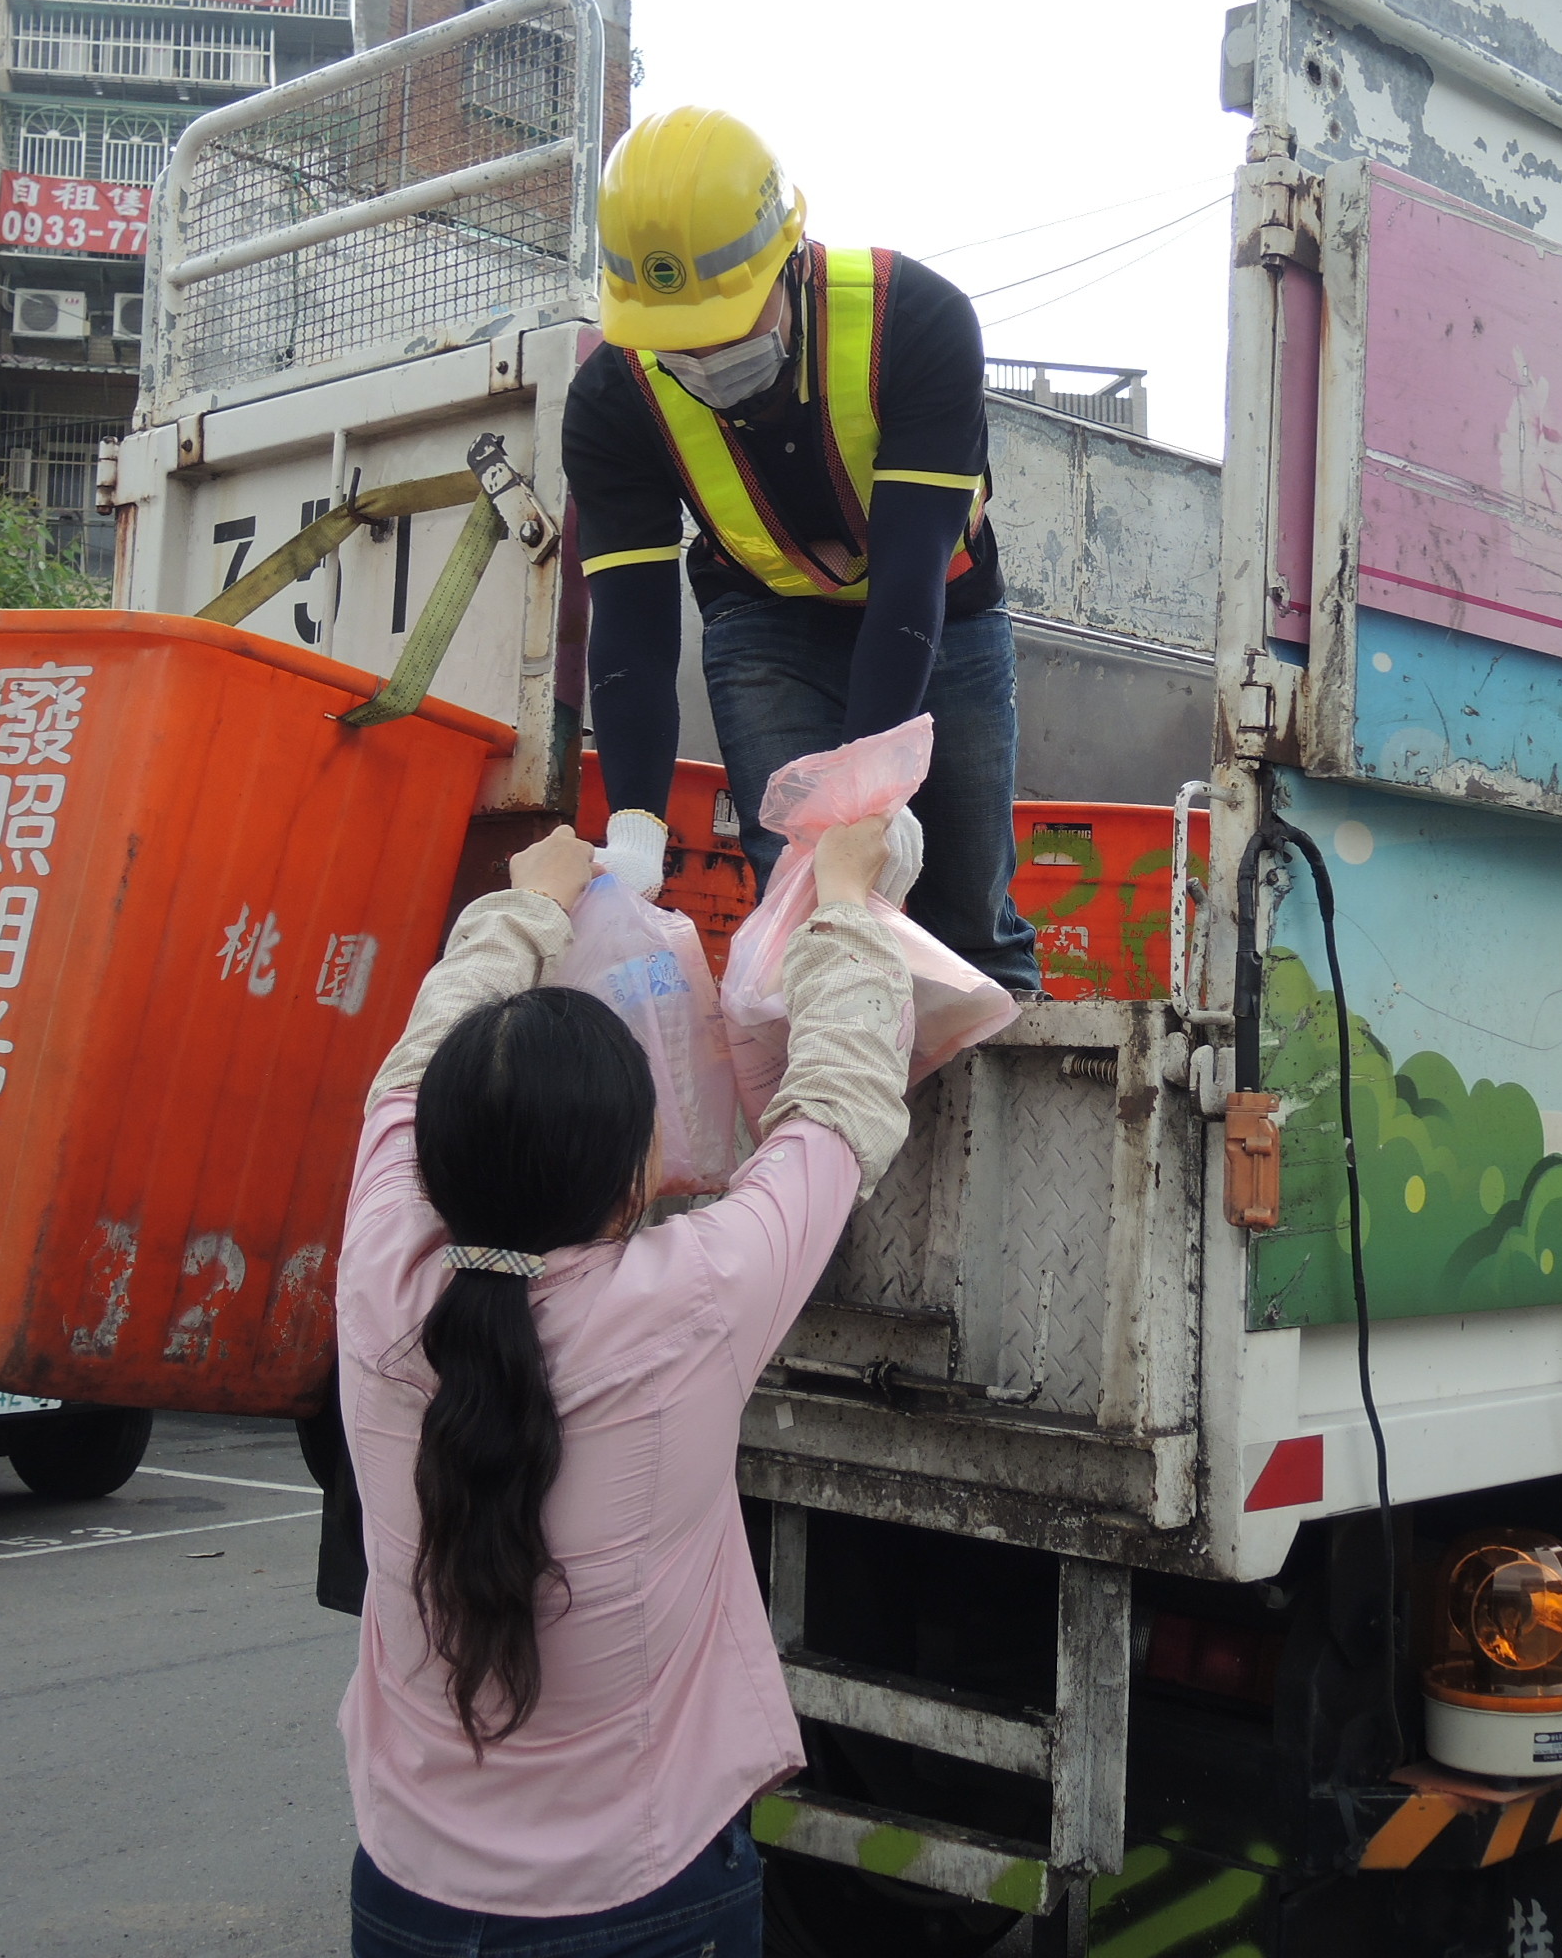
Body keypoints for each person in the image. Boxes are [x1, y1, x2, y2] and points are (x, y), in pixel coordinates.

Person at [334, 812, 915, 1958]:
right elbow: (839, 1106)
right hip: (642, 1898)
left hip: (406, 1889)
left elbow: (416, 1069)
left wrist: (526, 907)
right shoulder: (694, 1297)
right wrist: (847, 904)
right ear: (631, 1181)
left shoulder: (378, 1273)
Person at [563, 105, 1041, 995]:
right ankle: (824, 1109)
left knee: (967, 909)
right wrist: (632, 831)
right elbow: (629, 630)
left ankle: (995, 1078)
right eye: (677, 341)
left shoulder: (916, 323)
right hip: (766, 620)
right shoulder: (610, 403)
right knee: (802, 886)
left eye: (731, 324)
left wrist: (862, 793)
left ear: (789, 258)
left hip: (937, 611)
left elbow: (907, 583)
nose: (705, 356)